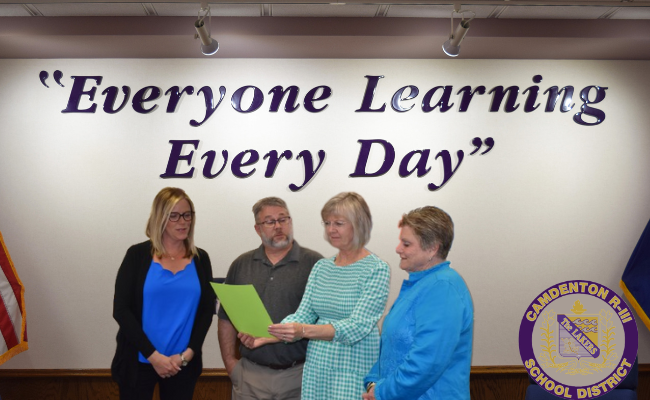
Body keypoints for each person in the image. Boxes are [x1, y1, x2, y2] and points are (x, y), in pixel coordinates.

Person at [240, 192, 391, 400]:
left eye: (338, 223)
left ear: (359, 224)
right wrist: (266, 336)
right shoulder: (322, 267)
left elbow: (357, 326)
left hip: (353, 366)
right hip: (318, 367)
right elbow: (303, 314)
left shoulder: (376, 269)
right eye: (327, 223)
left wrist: (302, 330)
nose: (331, 229)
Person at [111, 187, 216, 400]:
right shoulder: (137, 255)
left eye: (187, 215)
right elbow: (121, 310)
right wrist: (154, 357)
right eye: (174, 216)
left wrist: (188, 355)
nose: (183, 222)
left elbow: (206, 310)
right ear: (160, 218)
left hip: (182, 364)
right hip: (139, 361)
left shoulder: (200, 258)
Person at [363, 206, 474, 400]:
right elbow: (391, 348)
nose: (398, 249)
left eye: (406, 244)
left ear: (432, 248)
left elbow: (427, 362)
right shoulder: (421, 285)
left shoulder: (443, 288)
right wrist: (373, 382)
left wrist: (382, 392)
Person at [217, 197, 323, 400]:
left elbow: (326, 320)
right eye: (270, 221)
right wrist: (231, 364)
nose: (278, 226)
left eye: (283, 219)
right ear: (257, 229)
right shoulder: (241, 264)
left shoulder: (315, 263)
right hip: (251, 376)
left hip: (300, 375)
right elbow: (226, 318)